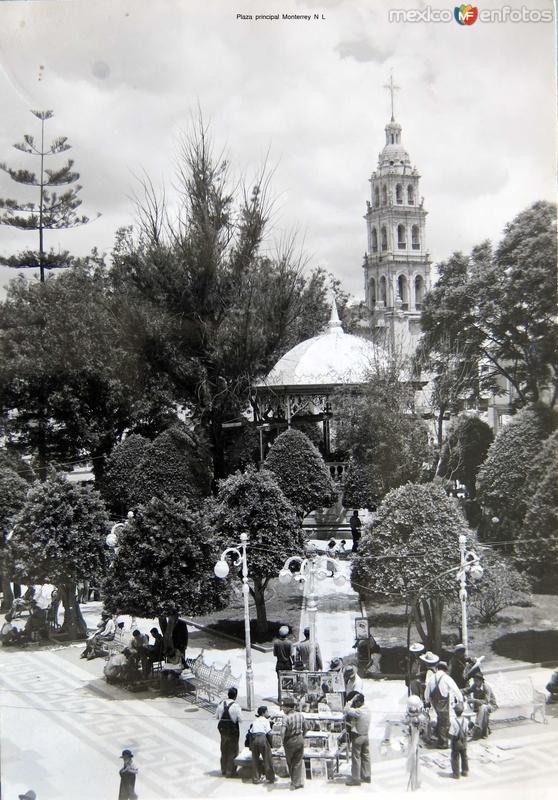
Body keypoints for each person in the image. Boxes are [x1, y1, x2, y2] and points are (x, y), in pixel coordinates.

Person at [424, 660, 463, 749]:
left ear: (437, 668)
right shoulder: (446, 678)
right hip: (443, 702)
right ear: (445, 669)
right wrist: (460, 700)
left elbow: (427, 692)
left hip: (434, 702)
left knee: (439, 720)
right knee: (445, 722)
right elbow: (456, 689)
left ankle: (438, 737)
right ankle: (443, 742)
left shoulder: (432, 678)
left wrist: (427, 701)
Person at [344, 692, 371, 786]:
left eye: (356, 702)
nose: (355, 704)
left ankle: (356, 779)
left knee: (356, 758)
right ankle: (367, 775)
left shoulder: (359, 712)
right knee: (366, 756)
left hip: (358, 736)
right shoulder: (367, 709)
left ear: (359, 702)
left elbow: (346, 709)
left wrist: (350, 701)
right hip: (366, 736)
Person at [282, 697, 309, 790]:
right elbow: (306, 727)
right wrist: (303, 736)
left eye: (283, 707)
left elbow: (283, 731)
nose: (282, 709)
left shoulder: (286, 717)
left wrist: (282, 741)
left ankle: (294, 783)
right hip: (299, 738)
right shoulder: (300, 715)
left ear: (288, 707)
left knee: (290, 762)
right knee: (298, 762)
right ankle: (299, 782)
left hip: (289, 740)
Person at [216, 687, 242, 777]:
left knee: (223, 750)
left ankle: (223, 770)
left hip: (223, 732)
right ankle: (230, 772)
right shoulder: (236, 706)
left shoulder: (220, 704)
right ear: (235, 696)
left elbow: (217, 717)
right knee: (233, 751)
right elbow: (240, 719)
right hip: (233, 732)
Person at [464, 673, 497, 738]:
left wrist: (474, 700)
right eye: (474, 681)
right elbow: (468, 690)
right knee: (482, 709)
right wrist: (459, 691)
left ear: (481, 681)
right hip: (480, 705)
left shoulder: (486, 687)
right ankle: (485, 730)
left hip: (490, 705)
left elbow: (486, 701)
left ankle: (476, 727)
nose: (475, 682)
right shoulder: (475, 685)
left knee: (483, 708)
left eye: (477, 681)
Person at [248, 705, 275, 784]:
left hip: (254, 739)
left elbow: (250, 732)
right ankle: (270, 778)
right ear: (263, 713)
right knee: (267, 759)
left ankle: (256, 779)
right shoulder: (265, 720)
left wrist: (250, 746)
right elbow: (269, 733)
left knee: (255, 760)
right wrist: (271, 744)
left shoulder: (255, 721)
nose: (268, 713)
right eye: (267, 712)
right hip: (262, 738)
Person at [449, 702, 469, 779]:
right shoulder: (466, 720)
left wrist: (451, 742)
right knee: (464, 756)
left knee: (455, 757)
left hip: (456, 741)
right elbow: (467, 731)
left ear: (455, 712)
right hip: (464, 741)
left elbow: (451, 733)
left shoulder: (453, 721)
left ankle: (456, 774)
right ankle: (465, 771)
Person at [273, 625, 293, 699]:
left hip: (279, 664)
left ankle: (280, 698)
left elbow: (275, 654)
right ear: (287, 634)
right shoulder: (289, 643)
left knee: (280, 681)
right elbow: (291, 654)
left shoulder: (276, 642)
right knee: (289, 681)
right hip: (288, 664)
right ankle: (288, 697)